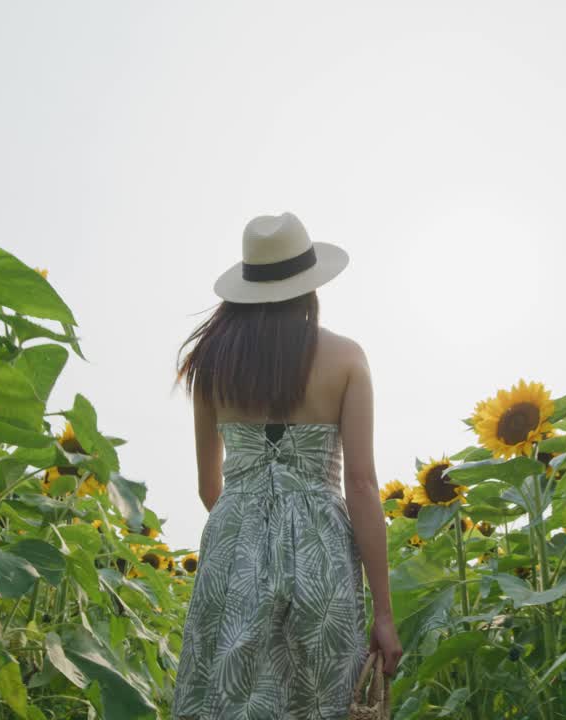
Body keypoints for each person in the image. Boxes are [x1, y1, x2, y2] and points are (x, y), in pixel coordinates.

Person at [171, 212, 401, 719]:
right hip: (321, 555)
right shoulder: (345, 359)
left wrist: (253, 525)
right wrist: (383, 613)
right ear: (310, 287)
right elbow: (361, 485)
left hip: (234, 548)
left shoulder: (211, 364)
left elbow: (210, 488)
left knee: (224, 697)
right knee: (318, 702)